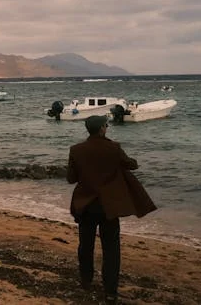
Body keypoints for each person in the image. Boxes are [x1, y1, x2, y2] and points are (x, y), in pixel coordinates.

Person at [67, 115, 156, 303]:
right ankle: (110, 290)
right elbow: (130, 165)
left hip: (86, 205)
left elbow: (71, 178)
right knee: (111, 248)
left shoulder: (76, 150)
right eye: (106, 125)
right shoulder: (113, 148)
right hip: (109, 206)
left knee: (85, 244)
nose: (107, 127)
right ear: (101, 129)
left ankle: (86, 280)